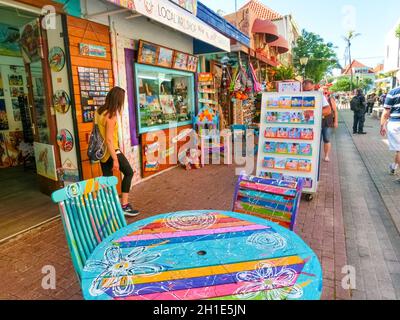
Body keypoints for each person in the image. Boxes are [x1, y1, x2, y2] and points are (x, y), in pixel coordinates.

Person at [96, 86, 140, 217]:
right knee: (128, 173)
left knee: (107, 179)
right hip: (111, 151)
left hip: (101, 152)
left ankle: (108, 207)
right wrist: (115, 159)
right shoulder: (111, 116)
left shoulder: (99, 111)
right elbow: (109, 140)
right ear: (118, 101)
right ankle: (124, 206)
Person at [302, 79, 338, 162]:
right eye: (305, 90)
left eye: (309, 90)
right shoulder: (302, 96)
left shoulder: (320, 96)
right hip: (312, 123)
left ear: (314, 87)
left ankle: (326, 156)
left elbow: (330, 110)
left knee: (326, 138)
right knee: (314, 140)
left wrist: (313, 114)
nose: (308, 92)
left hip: (326, 122)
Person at [380, 85, 400, 176]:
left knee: (399, 150)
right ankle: (394, 166)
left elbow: (386, 112)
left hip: (395, 123)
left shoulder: (393, 92)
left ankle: (394, 167)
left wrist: (382, 125)